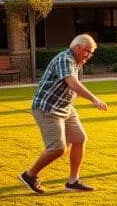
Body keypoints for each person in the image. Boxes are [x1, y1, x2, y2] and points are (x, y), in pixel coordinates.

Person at [19, 34, 108, 194]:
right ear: (77, 48)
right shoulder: (64, 59)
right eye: (88, 51)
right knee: (57, 148)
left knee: (80, 139)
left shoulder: (77, 62)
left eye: (91, 52)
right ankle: (29, 175)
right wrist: (93, 98)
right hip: (47, 108)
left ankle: (73, 181)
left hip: (65, 108)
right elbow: (73, 83)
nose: (89, 55)